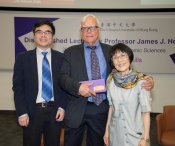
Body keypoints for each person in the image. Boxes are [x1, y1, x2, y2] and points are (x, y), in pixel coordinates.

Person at [59, 14, 154, 146]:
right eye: (85, 28)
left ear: (99, 30)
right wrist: (78, 88)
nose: (89, 31)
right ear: (80, 32)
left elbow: (124, 71)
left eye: (92, 27)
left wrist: (146, 79)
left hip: (101, 107)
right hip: (77, 106)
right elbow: (62, 77)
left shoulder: (110, 51)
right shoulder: (70, 52)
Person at [12, 20, 66, 146]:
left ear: (53, 37)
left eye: (47, 32)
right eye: (39, 32)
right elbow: (18, 88)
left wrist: (62, 107)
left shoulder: (62, 58)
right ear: (34, 36)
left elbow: (64, 86)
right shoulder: (22, 58)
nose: (43, 35)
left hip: (55, 111)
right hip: (32, 111)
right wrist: (22, 112)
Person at [103, 43, 151, 146]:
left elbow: (145, 112)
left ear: (129, 57)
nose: (119, 60)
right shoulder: (111, 81)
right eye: (115, 57)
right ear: (112, 62)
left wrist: (145, 138)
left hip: (136, 136)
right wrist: (107, 131)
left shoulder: (141, 82)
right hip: (115, 134)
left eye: (123, 56)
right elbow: (111, 109)